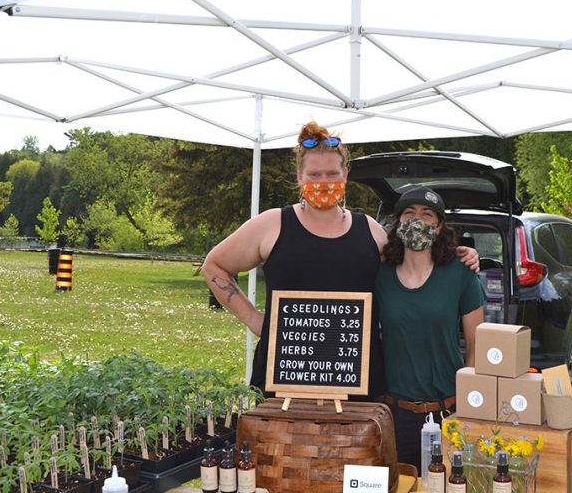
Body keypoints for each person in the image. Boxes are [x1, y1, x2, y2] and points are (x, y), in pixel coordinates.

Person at [201, 120, 479, 400]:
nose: (324, 182)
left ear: (345, 174)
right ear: (300, 176)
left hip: (356, 379)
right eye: (314, 174)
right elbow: (214, 266)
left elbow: (410, 261)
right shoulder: (272, 224)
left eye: (332, 173)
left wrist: (457, 255)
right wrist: (254, 319)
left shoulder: (369, 229)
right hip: (286, 375)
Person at [375, 185, 485, 472]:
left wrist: (465, 408)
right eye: (409, 212)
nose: (417, 220)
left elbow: (477, 344)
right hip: (393, 414)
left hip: (447, 412)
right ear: (397, 223)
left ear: (439, 226)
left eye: (427, 214)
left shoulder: (461, 273)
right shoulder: (379, 274)